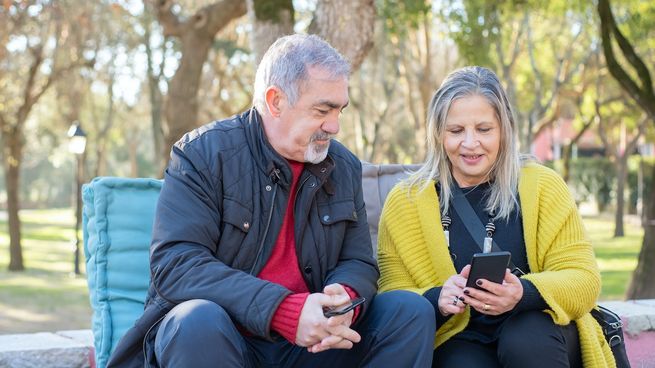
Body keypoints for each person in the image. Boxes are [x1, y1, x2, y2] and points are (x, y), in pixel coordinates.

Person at [106, 34, 435, 368]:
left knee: (410, 313)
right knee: (196, 320)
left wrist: (344, 298)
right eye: (322, 110)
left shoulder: (343, 166)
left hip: (312, 344)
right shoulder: (202, 154)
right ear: (275, 101)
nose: (334, 126)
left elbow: (360, 260)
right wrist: (282, 310)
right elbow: (176, 266)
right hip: (225, 340)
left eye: (339, 110)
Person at [377, 66, 616, 368]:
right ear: (438, 133)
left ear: (504, 129)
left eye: (484, 129)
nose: (470, 143)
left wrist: (525, 293)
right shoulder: (406, 201)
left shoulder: (542, 185)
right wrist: (435, 298)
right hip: (460, 339)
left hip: (538, 331)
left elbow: (584, 279)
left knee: (526, 339)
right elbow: (391, 296)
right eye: (456, 131)